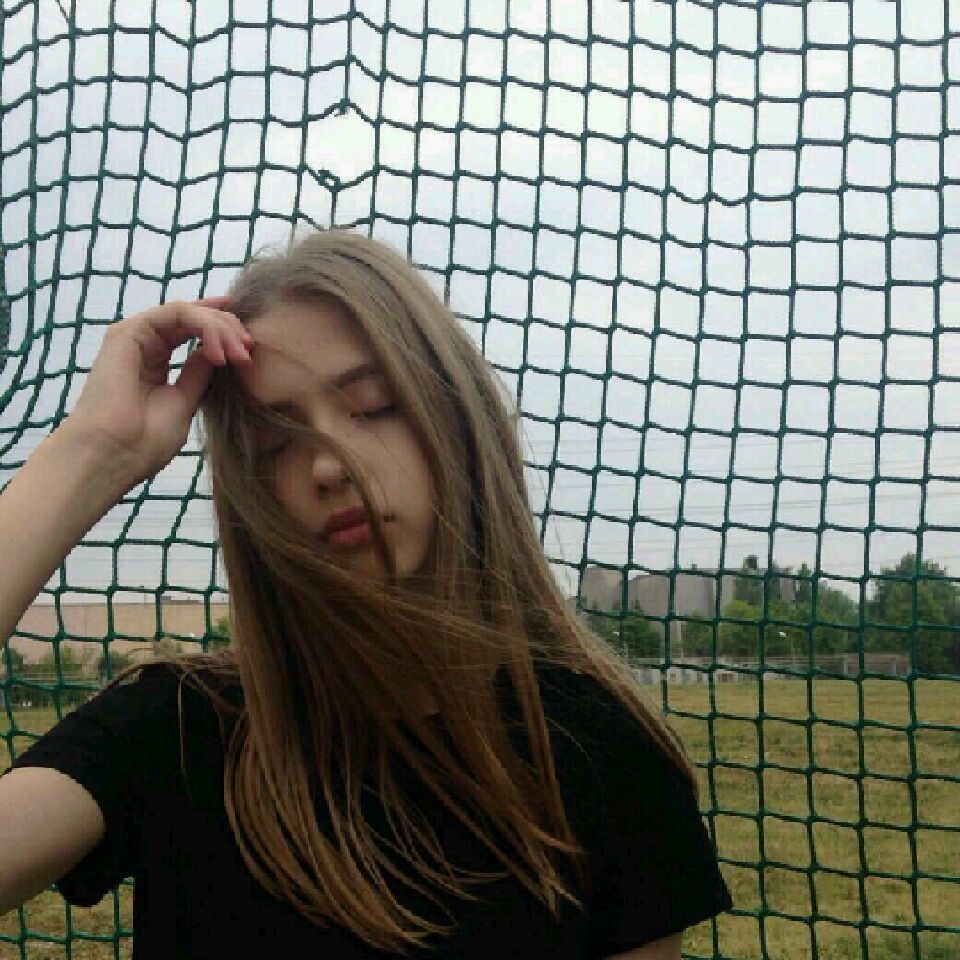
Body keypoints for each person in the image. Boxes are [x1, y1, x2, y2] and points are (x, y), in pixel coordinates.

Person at [0, 229, 733, 958]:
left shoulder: (601, 750)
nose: (329, 464)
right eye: (276, 442)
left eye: (374, 406)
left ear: (459, 417)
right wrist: (95, 450)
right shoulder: (178, 731)